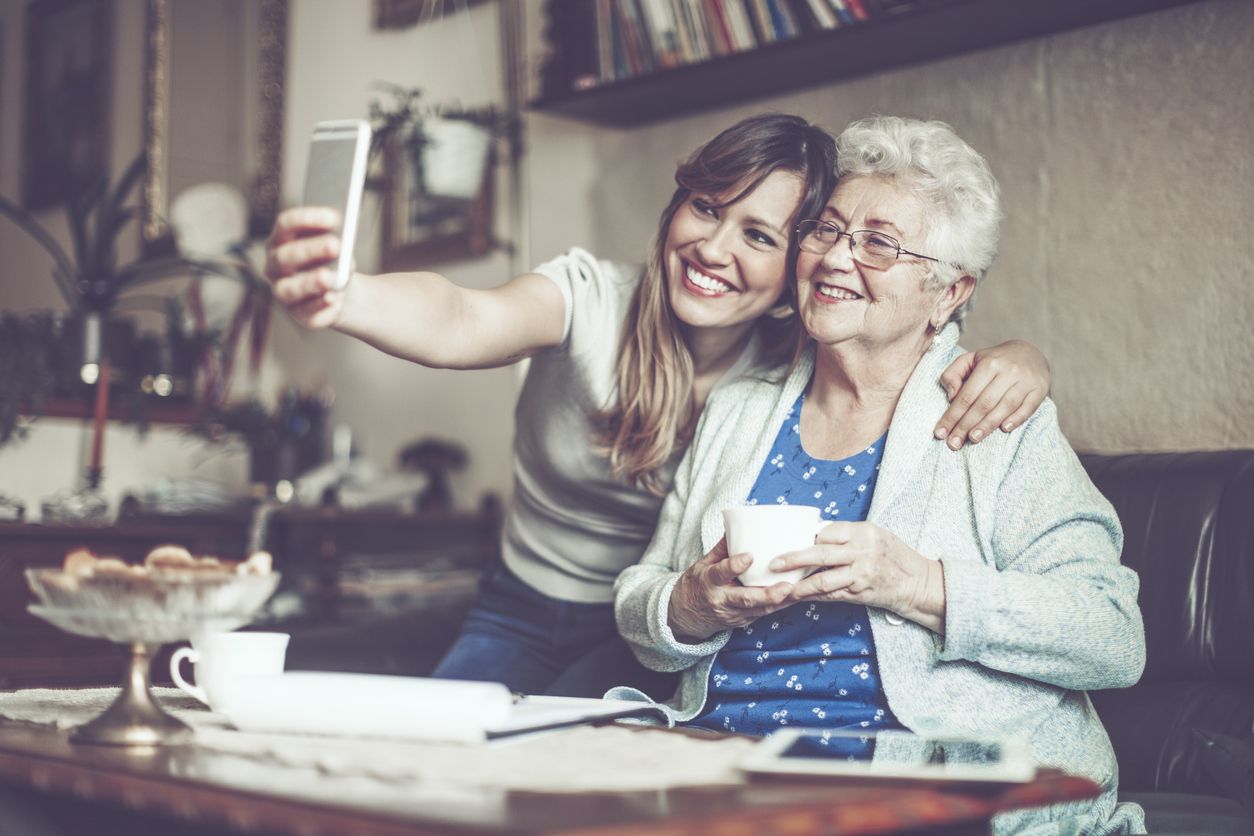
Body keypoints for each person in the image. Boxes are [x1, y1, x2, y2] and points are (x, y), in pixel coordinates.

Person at [265, 114, 1053, 698]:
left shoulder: (796, 360)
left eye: (759, 235)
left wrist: (1025, 360)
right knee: (429, 770)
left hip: (646, 630)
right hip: (519, 604)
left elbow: (916, 322)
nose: (714, 250)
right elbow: (459, 317)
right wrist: (346, 294)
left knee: (546, 780)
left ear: (795, 268)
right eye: (707, 209)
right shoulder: (591, 302)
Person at [612, 116, 1145, 834]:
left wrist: (919, 584)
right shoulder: (739, 413)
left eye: (879, 244)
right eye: (826, 231)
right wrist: (691, 606)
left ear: (948, 293)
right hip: (726, 771)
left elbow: (1113, 636)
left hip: (918, 787)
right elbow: (640, 605)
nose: (835, 259)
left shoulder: (993, 418)